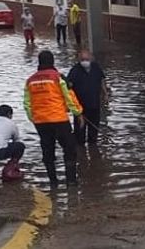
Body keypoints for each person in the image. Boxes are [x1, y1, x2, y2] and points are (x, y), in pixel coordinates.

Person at [24, 50, 84, 186]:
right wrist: (78, 113)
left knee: (47, 150)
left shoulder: (30, 80)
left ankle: (53, 182)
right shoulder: (58, 77)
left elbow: (27, 104)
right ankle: (71, 182)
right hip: (59, 120)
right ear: (52, 61)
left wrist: (34, 119)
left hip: (41, 122)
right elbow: (69, 97)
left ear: (39, 62)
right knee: (69, 149)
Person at [68, 49, 109, 146]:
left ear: (91, 58)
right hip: (80, 107)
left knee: (93, 132)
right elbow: (69, 87)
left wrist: (105, 94)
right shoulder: (74, 70)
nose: (85, 61)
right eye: (82, 59)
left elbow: (101, 80)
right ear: (79, 59)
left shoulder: (96, 68)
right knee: (79, 134)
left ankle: (93, 148)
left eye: (86, 59)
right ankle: (80, 151)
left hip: (94, 104)